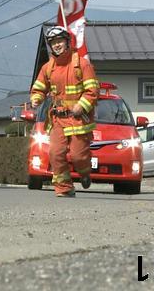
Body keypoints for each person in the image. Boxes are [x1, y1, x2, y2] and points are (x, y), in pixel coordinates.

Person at [30, 26, 99, 197]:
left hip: (78, 119)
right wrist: (36, 98)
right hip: (58, 119)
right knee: (55, 153)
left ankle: (84, 173)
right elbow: (39, 88)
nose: (57, 45)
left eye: (60, 41)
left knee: (78, 157)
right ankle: (64, 188)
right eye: (53, 42)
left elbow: (93, 90)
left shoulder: (82, 64)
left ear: (68, 42)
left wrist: (82, 105)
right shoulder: (48, 67)